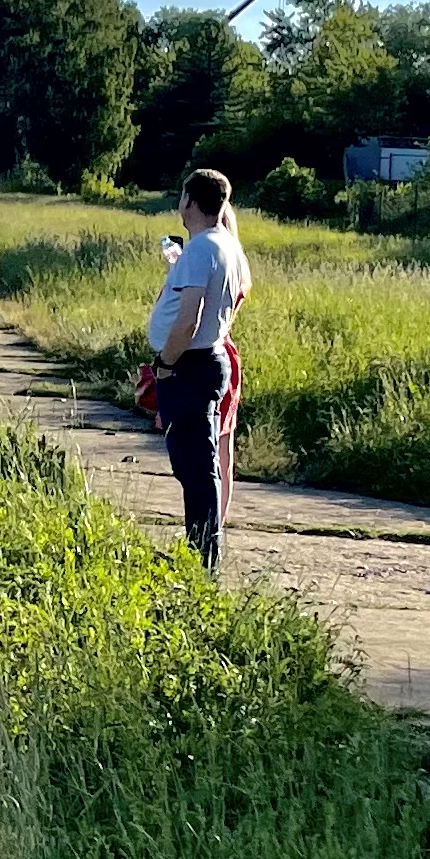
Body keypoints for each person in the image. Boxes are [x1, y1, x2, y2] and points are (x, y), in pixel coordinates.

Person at [146, 169, 250, 568]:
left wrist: (166, 364)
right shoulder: (226, 246)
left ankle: (203, 556)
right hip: (208, 359)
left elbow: (190, 316)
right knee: (198, 464)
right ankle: (202, 549)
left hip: (190, 364)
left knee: (195, 466)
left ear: (190, 199)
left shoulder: (201, 248)